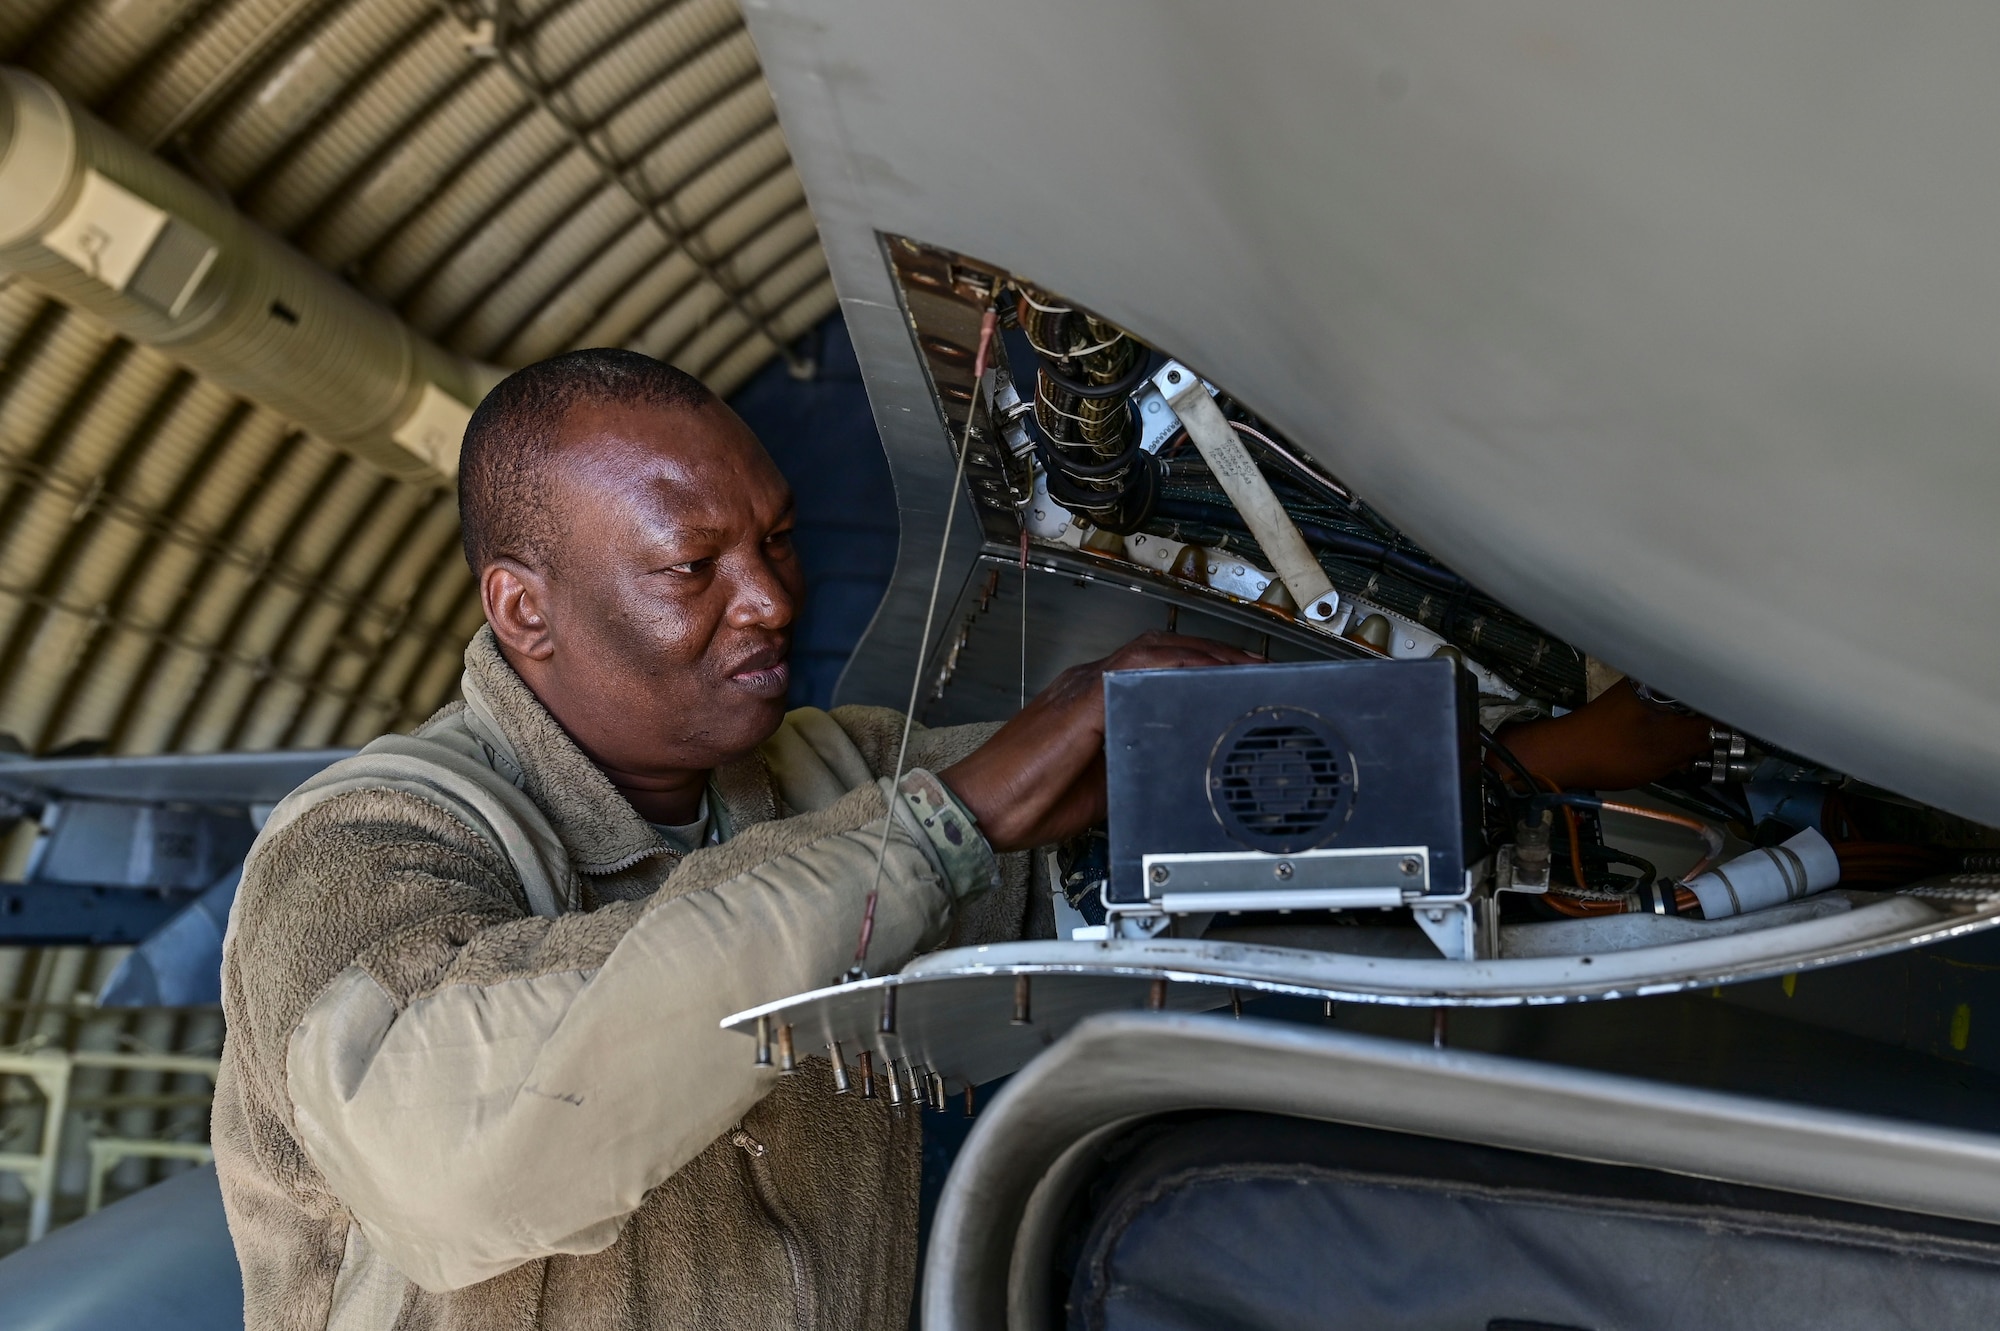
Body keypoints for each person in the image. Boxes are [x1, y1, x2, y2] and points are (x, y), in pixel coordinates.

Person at [212, 347, 1254, 1331]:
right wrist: (943, 826)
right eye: (692, 564)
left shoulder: (830, 776)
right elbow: (448, 1163)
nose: (769, 599)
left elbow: (1095, 848)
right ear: (525, 609)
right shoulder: (365, 842)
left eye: (779, 540)